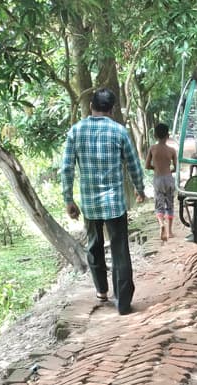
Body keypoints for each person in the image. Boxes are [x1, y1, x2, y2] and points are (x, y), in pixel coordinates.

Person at [60, 88, 146, 315]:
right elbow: (134, 165)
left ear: (91, 107)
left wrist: (68, 199)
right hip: (114, 203)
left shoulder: (75, 132)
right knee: (120, 250)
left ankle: (101, 291)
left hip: (89, 204)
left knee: (94, 246)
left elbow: (66, 168)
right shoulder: (119, 132)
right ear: (113, 109)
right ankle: (124, 303)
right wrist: (140, 189)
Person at [145, 123, 178, 241]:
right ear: (168, 135)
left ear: (155, 135)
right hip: (169, 179)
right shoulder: (172, 150)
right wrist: (169, 170)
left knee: (159, 203)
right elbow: (176, 167)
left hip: (158, 179)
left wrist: (156, 168)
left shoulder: (152, 149)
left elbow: (147, 165)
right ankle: (169, 232)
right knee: (170, 204)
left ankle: (161, 224)